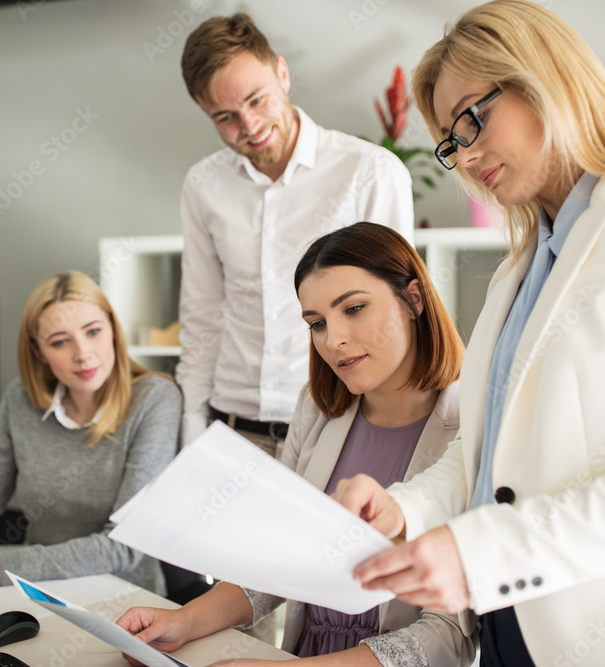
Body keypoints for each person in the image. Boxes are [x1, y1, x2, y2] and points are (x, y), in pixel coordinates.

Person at [331, 2, 605, 666]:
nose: (466, 153)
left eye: (474, 119)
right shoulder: (516, 271)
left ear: (545, 77)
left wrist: (488, 550)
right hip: (515, 631)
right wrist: (401, 509)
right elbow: (487, 463)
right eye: (451, 141)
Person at [116, 223, 476, 666]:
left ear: (414, 300)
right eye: (317, 323)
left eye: (355, 308)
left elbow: (451, 634)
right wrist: (184, 622)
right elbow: (277, 560)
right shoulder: (319, 409)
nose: (334, 339)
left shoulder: (472, 422)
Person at [175, 13, 415, 461]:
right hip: (231, 429)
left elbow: (398, 311)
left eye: (257, 100)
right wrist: (191, 424)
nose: (248, 125)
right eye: (225, 117)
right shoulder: (203, 186)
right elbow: (202, 310)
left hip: (336, 425)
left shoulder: (369, 172)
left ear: (282, 74)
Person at [0, 270, 181, 595]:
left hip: (125, 603)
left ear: (113, 330)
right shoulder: (20, 401)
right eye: (60, 342)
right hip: (35, 594)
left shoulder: (155, 399)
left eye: (93, 331)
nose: (83, 354)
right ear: (39, 352)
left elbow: (124, 546)